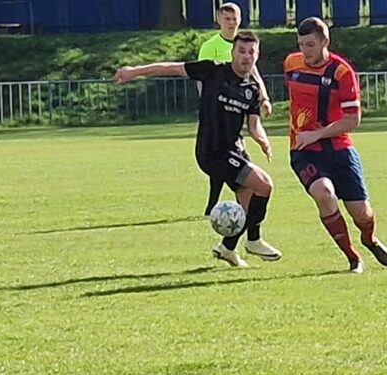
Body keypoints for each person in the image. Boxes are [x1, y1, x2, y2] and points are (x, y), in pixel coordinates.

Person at [115, 30, 280, 266]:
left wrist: (263, 140)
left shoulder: (251, 90)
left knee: (247, 198)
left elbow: (254, 125)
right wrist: (134, 72)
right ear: (233, 52)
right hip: (212, 152)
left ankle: (227, 248)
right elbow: (172, 68)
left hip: (235, 151)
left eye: (251, 52)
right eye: (241, 51)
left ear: (257, 55)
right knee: (264, 185)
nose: (246, 56)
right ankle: (254, 239)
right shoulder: (213, 70)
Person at [284, 17, 387, 273]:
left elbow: (353, 119)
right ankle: (352, 257)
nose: (305, 51)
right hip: (303, 150)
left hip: (339, 150)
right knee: (324, 193)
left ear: (325, 41)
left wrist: (318, 133)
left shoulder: (342, 73)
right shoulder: (291, 63)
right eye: (301, 44)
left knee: (362, 214)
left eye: (310, 44)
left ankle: (369, 239)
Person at [197, 3, 270, 216]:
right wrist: (208, 103)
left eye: (234, 18)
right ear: (219, 19)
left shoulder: (246, 46)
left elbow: (254, 75)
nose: (231, 22)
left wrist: (264, 98)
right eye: (227, 18)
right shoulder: (210, 47)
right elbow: (202, 78)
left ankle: (237, 222)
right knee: (222, 156)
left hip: (237, 112)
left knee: (234, 159)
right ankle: (216, 205)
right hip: (216, 113)